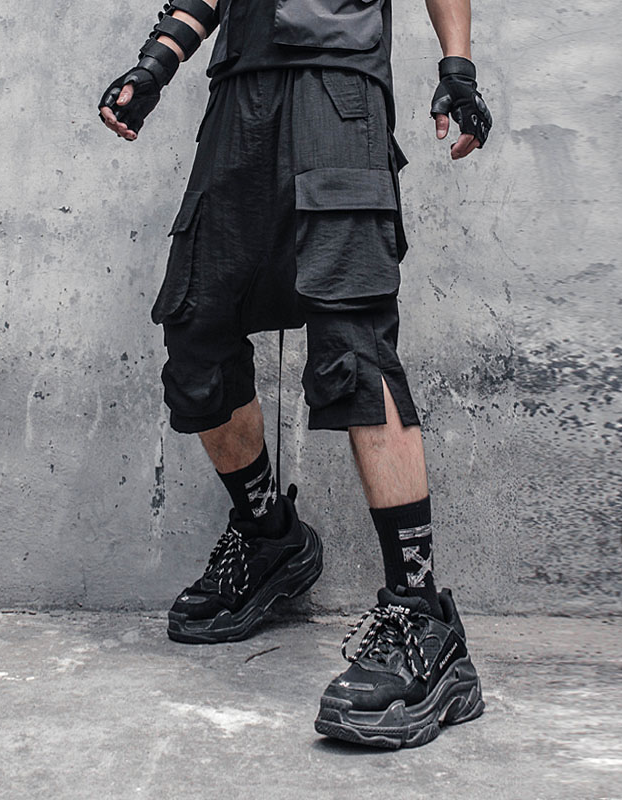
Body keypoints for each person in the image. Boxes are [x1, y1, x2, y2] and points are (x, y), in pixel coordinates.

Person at [99, 0, 492, 749]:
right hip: (237, 98)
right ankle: (269, 539)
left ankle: (424, 620)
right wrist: (156, 64)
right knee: (196, 330)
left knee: (355, 348)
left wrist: (458, 67)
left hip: (337, 95)